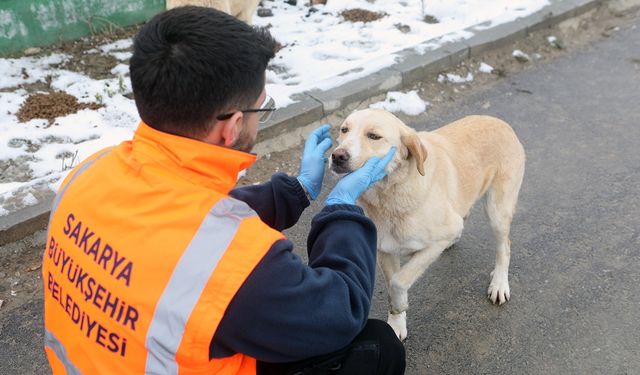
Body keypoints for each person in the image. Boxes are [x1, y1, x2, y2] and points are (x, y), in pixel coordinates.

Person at [41, 6, 405, 375]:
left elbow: (178, 222)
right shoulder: (238, 267)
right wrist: (341, 210)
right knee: (376, 346)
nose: (260, 119)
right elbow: (340, 311)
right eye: (261, 109)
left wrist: (294, 191)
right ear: (231, 127)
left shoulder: (88, 173)